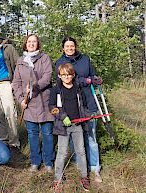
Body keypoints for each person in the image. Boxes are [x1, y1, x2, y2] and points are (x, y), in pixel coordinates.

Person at [55, 37, 102, 182]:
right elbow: (63, 82)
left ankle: (94, 167)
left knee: (91, 136)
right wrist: (85, 80)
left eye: (72, 46)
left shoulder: (85, 59)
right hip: (73, 105)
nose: (70, 48)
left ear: (75, 47)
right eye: (67, 46)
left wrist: (95, 79)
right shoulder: (60, 62)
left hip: (88, 101)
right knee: (75, 139)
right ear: (63, 48)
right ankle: (79, 165)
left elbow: (92, 74)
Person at [12, 34, 54, 172]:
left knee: (47, 133)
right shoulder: (20, 61)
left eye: (34, 41)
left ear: (38, 44)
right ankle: (35, 161)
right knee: (32, 133)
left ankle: (48, 162)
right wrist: (20, 99)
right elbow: (16, 83)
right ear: (25, 44)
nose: (31, 44)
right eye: (29, 41)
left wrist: (34, 87)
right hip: (28, 103)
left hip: (44, 101)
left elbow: (47, 77)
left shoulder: (44, 58)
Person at [49, 63, 90, 192]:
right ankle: (58, 179)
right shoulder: (55, 90)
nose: (67, 77)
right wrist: (62, 116)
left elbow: (83, 105)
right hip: (63, 127)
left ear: (73, 75)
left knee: (81, 151)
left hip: (77, 125)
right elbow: (52, 108)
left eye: (69, 74)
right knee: (62, 153)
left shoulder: (78, 88)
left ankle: (84, 177)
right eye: (64, 75)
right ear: (60, 76)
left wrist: (87, 116)